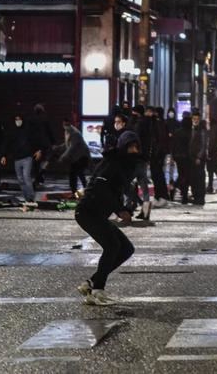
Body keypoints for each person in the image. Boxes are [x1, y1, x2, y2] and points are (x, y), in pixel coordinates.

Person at [75, 131, 140, 306]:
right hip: (88, 212)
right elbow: (102, 187)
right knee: (112, 246)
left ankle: (90, 284)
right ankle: (98, 291)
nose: (134, 151)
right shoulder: (113, 162)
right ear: (123, 147)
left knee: (126, 248)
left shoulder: (124, 165)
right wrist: (120, 210)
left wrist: (126, 207)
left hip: (98, 213)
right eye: (130, 147)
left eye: (136, 147)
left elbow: (116, 190)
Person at [1, 113, 39, 202]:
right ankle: (27, 198)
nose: (18, 121)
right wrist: (3, 155)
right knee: (20, 179)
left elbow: (35, 139)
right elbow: (6, 143)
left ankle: (31, 198)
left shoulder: (27, 130)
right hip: (17, 159)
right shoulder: (12, 131)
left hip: (27, 158)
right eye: (16, 119)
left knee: (26, 177)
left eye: (19, 119)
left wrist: (38, 150)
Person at [55, 119, 91, 195]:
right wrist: (58, 147)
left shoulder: (75, 133)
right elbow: (67, 144)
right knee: (77, 174)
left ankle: (83, 191)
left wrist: (63, 157)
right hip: (76, 157)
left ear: (70, 124)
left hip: (82, 156)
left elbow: (72, 147)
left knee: (75, 173)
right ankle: (81, 191)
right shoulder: (67, 132)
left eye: (67, 125)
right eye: (64, 125)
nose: (65, 127)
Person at [29, 104, 54, 186]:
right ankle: (41, 175)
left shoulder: (31, 119)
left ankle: (37, 178)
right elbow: (50, 131)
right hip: (44, 143)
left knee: (36, 162)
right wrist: (53, 142)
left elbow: (29, 132)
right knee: (45, 160)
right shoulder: (45, 119)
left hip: (35, 144)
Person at [171, 111, 192, 203]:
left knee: (181, 175)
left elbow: (173, 144)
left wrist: (173, 155)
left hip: (178, 156)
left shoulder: (177, 132)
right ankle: (184, 195)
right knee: (186, 176)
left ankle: (174, 188)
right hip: (187, 156)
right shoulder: (190, 133)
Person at [150, 107, 169, 207]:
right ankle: (160, 196)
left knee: (158, 176)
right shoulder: (160, 123)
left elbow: (160, 141)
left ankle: (161, 196)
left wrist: (157, 154)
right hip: (157, 154)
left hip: (157, 155)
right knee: (157, 176)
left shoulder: (159, 124)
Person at [187, 110, 207, 205]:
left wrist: (199, 157)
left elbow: (203, 145)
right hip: (191, 158)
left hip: (199, 158)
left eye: (197, 119)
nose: (195, 120)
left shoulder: (201, 130)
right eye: (194, 119)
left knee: (199, 178)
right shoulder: (190, 129)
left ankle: (200, 197)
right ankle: (196, 196)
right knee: (193, 178)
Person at [164, 108, 180, 198]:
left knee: (173, 166)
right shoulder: (165, 123)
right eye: (170, 112)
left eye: (172, 112)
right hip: (167, 149)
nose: (171, 114)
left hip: (174, 149)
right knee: (168, 166)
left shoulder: (177, 123)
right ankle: (170, 182)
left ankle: (172, 182)